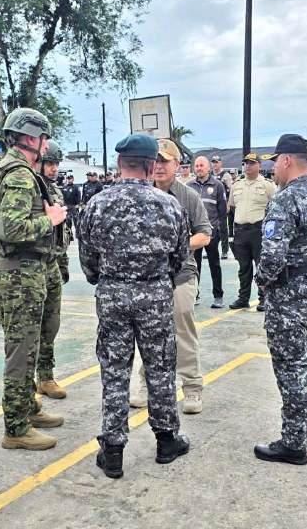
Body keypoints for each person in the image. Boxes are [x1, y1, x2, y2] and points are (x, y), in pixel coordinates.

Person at [79, 133, 190, 479]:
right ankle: (166, 441)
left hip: (113, 294)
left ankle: (113, 451)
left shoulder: (96, 204)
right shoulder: (169, 205)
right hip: (154, 294)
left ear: (119, 163)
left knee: (114, 370)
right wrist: (155, 278)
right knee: (160, 368)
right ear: (152, 165)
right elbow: (179, 258)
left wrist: (106, 278)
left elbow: (88, 259)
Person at [0, 107, 67, 450]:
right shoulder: (18, 174)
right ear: (32, 138)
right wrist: (52, 220)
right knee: (21, 350)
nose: (46, 145)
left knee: (24, 345)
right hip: (20, 272)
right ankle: (16, 428)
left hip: (11, 269)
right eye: (44, 138)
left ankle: (28, 408)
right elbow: (12, 229)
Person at [254, 134, 307, 466]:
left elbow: (272, 257)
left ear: (286, 160)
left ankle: (293, 442)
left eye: (275, 161)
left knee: (292, 366)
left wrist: (262, 283)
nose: (273, 168)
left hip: (290, 293)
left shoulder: (285, 200)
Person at [130, 138, 212, 414]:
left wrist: (176, 245)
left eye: (165, 161)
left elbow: (205, 234)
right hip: (148, 278)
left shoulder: (187, 196)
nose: (159, 166)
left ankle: (192, 387)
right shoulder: (140, 193)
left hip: (180, 275)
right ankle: (146, 384)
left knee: (183, 331)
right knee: (149, 334)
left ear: (177, 164)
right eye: (156, 161)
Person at [36, 140, 70, 400]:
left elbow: (61, 232)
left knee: (51, 324)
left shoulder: (56, 190)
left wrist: (63, 262)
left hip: (53, 264)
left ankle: (46, 376)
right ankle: (29, 380)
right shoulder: (32, 189)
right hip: (33, 267)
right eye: (49, 163)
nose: (54, 168)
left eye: (56, 163)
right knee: (31, 328)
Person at [228, 152, 276, 311]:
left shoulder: (267, 185)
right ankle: (243, 298)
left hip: (258, 230)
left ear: (259, 165)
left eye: (252, 163)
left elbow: (275, 207)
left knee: (261, 266)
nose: (248, 166)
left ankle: (263, 298)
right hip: (241, 230)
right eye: (246, 163)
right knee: (243, 268)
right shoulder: (237, 185)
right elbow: (232, 207)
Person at [188, 156, 227, 308]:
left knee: (214, 265)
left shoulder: (218, 186)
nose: (199, 168)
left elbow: (222, 212)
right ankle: (194, 295)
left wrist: (219, 231)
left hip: (211, 233)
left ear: (208, 168)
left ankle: (218, 296)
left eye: (201, 165)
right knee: (193, 266)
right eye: (197, 166)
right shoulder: (189, 186)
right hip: (194, 233)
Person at [211, 155, 233, 259]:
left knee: (223, 229)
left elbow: (231, 190)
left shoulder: (226, 175)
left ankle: (224, 251)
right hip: (212, 205)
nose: (215, 164)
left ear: (220, 163)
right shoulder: (210, 175)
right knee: (211, 228)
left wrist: (228, 204)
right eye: (213, 162)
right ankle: (211, 249)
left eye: (217, 162)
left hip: (222, 204)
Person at [62, 174, 81, 238]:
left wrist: (78, 204)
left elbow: (79, 196)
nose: (69, 180)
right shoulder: (64, 187)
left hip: (74, 206)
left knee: (76, 222)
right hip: (67, 206)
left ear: (73, 179)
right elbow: (63, 196)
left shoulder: (76, 187)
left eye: (70, 179)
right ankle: (70, 235)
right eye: (68, 179)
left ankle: (78, 234)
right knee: (68, 222)